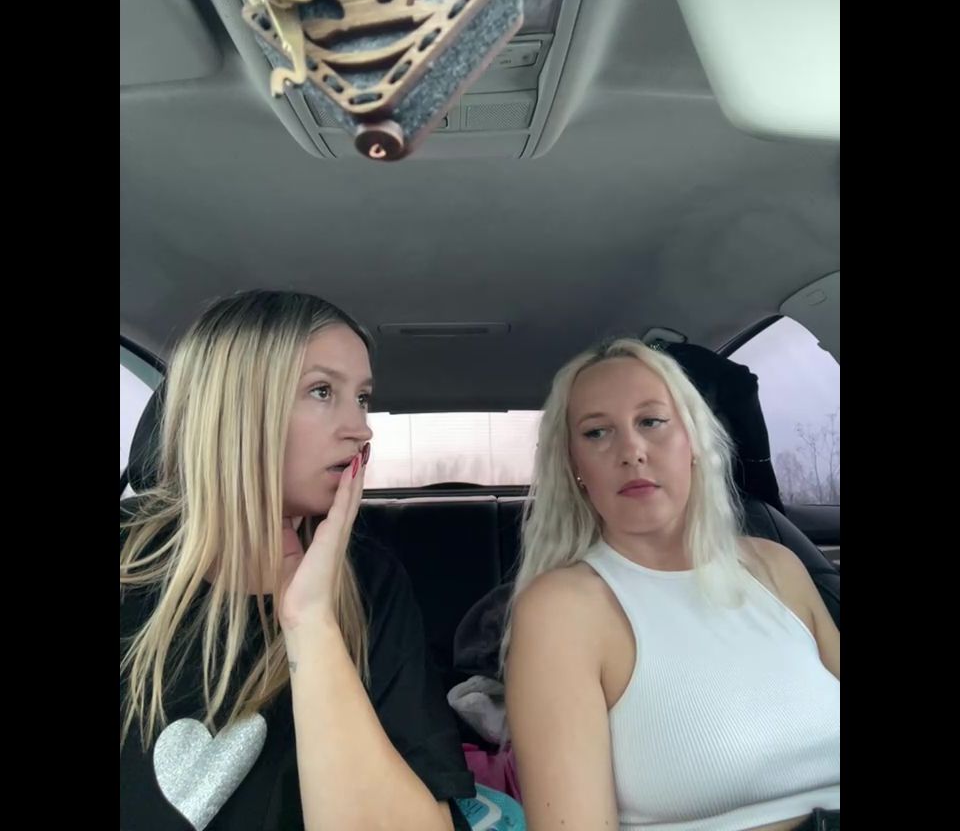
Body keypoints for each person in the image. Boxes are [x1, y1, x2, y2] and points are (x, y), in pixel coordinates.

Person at [121, 290, 476, 831]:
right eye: (322, 391)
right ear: (235, 406)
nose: (361, 427)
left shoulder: (370, 581)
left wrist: (310, 623)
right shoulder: (131, 560)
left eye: (362, 397)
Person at [503, 338, 840, 831]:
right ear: (575, 468)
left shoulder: (777, 566)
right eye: (597, 432)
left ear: (695, 442)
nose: (631, 451)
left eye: (652, 421)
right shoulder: (563, 609)